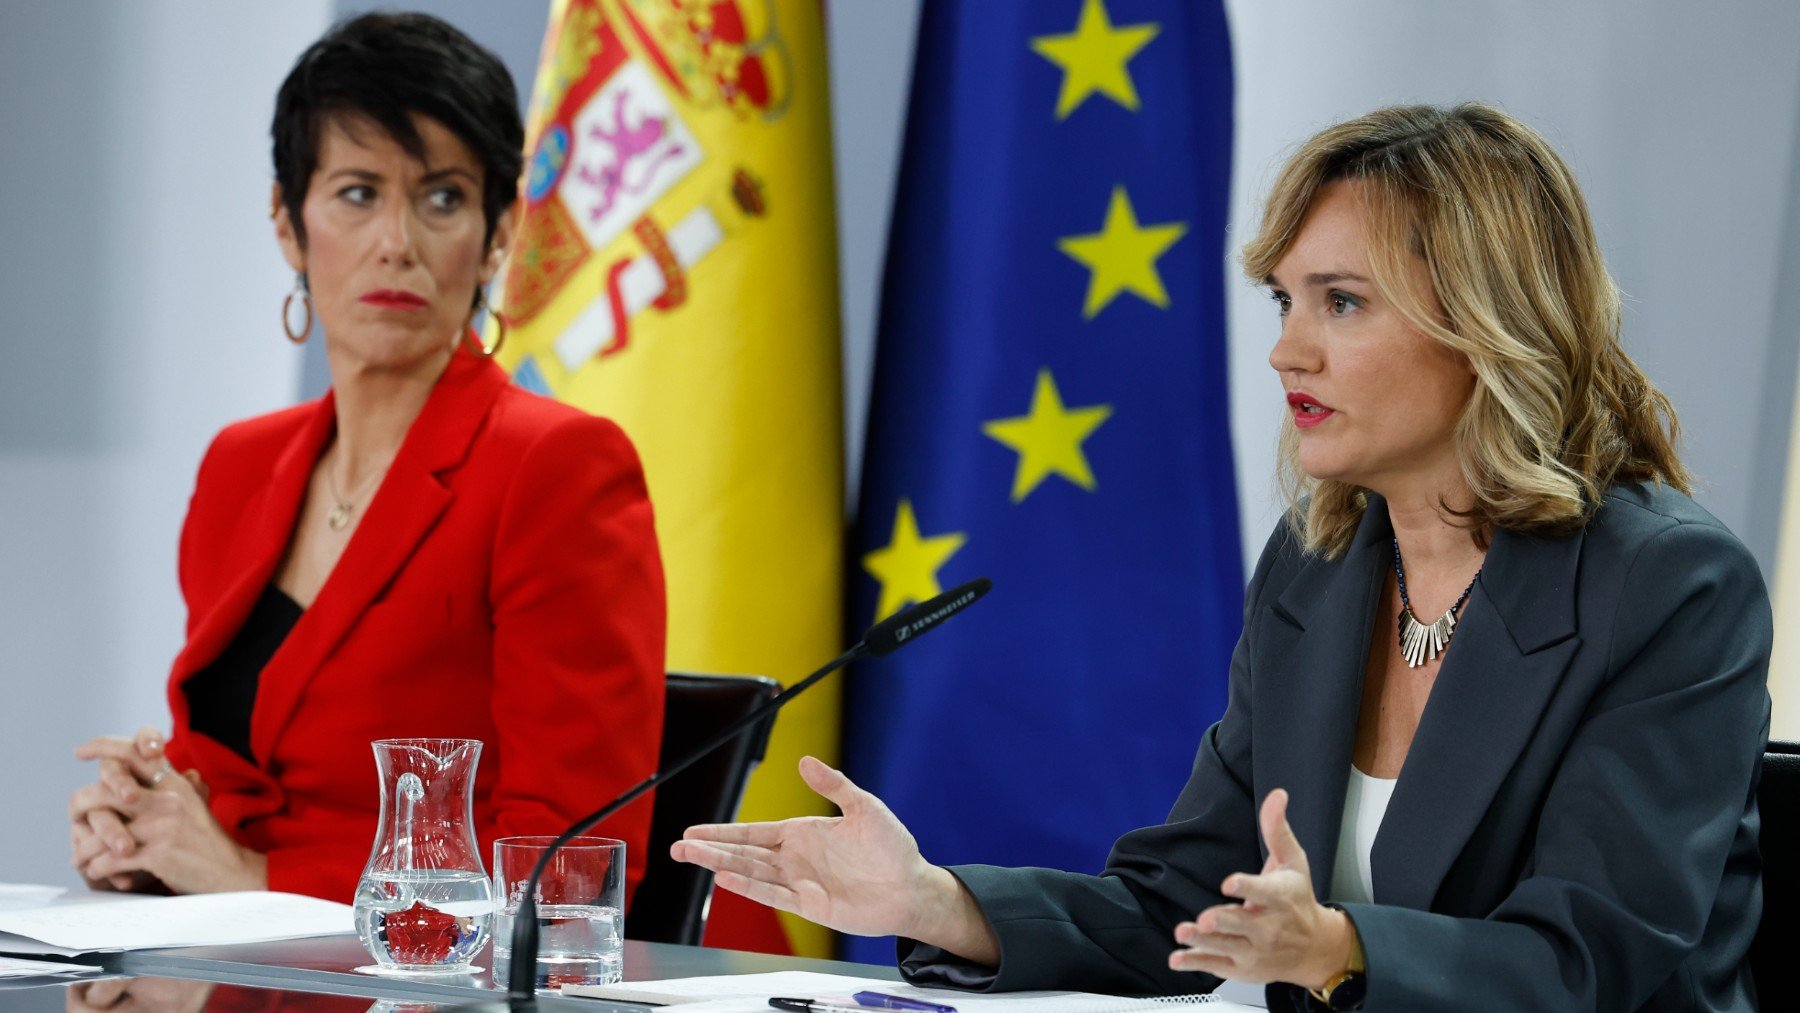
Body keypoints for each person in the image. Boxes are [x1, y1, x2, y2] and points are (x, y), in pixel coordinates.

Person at [671, 104, 1770, 1011]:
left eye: (1341, 301)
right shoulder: (1323, 563)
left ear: (1488, 324)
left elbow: (1585, 964)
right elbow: (1185, 901)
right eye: (1284, 300)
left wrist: (1339, 946)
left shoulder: (1668, 588)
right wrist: (933, 900)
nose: (1289, 348)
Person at [65, 12, 665, 904]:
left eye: (443, 198)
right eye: (356, 192)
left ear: (498, 234)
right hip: (233, 975)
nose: (397, 241)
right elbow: (235, 774)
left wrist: (253, 879)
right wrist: (147, 822)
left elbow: (568, 864)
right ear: (286, 221)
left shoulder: (560, 467)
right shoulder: (240, 464)